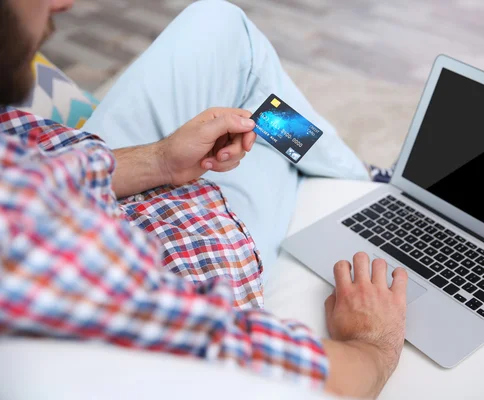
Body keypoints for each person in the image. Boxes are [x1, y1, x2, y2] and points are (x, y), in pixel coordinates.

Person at [0, 0, 408, 397]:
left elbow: (45, 167)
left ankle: (351, 173)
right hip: (196, 251)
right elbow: (260, 373)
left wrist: (159, 160)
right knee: (270, 136)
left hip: (99, 171)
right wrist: (373, 343)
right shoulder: (27, 242)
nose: (64, 3)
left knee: (222, 25)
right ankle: (359, 180)